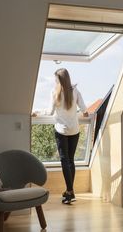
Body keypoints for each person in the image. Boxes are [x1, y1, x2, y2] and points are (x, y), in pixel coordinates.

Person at [35, 68, 88, 204]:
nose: (54, 82)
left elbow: (49, 111)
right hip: (74, 130)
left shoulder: (55, 92)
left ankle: (69, 192)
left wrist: (36, 112)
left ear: (59, 80)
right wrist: (85, 113)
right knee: (71, 160)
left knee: (65, 161)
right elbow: (84, 108)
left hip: (61, 131)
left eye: (56, 80)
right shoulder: (75, 91)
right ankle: (70, 191)